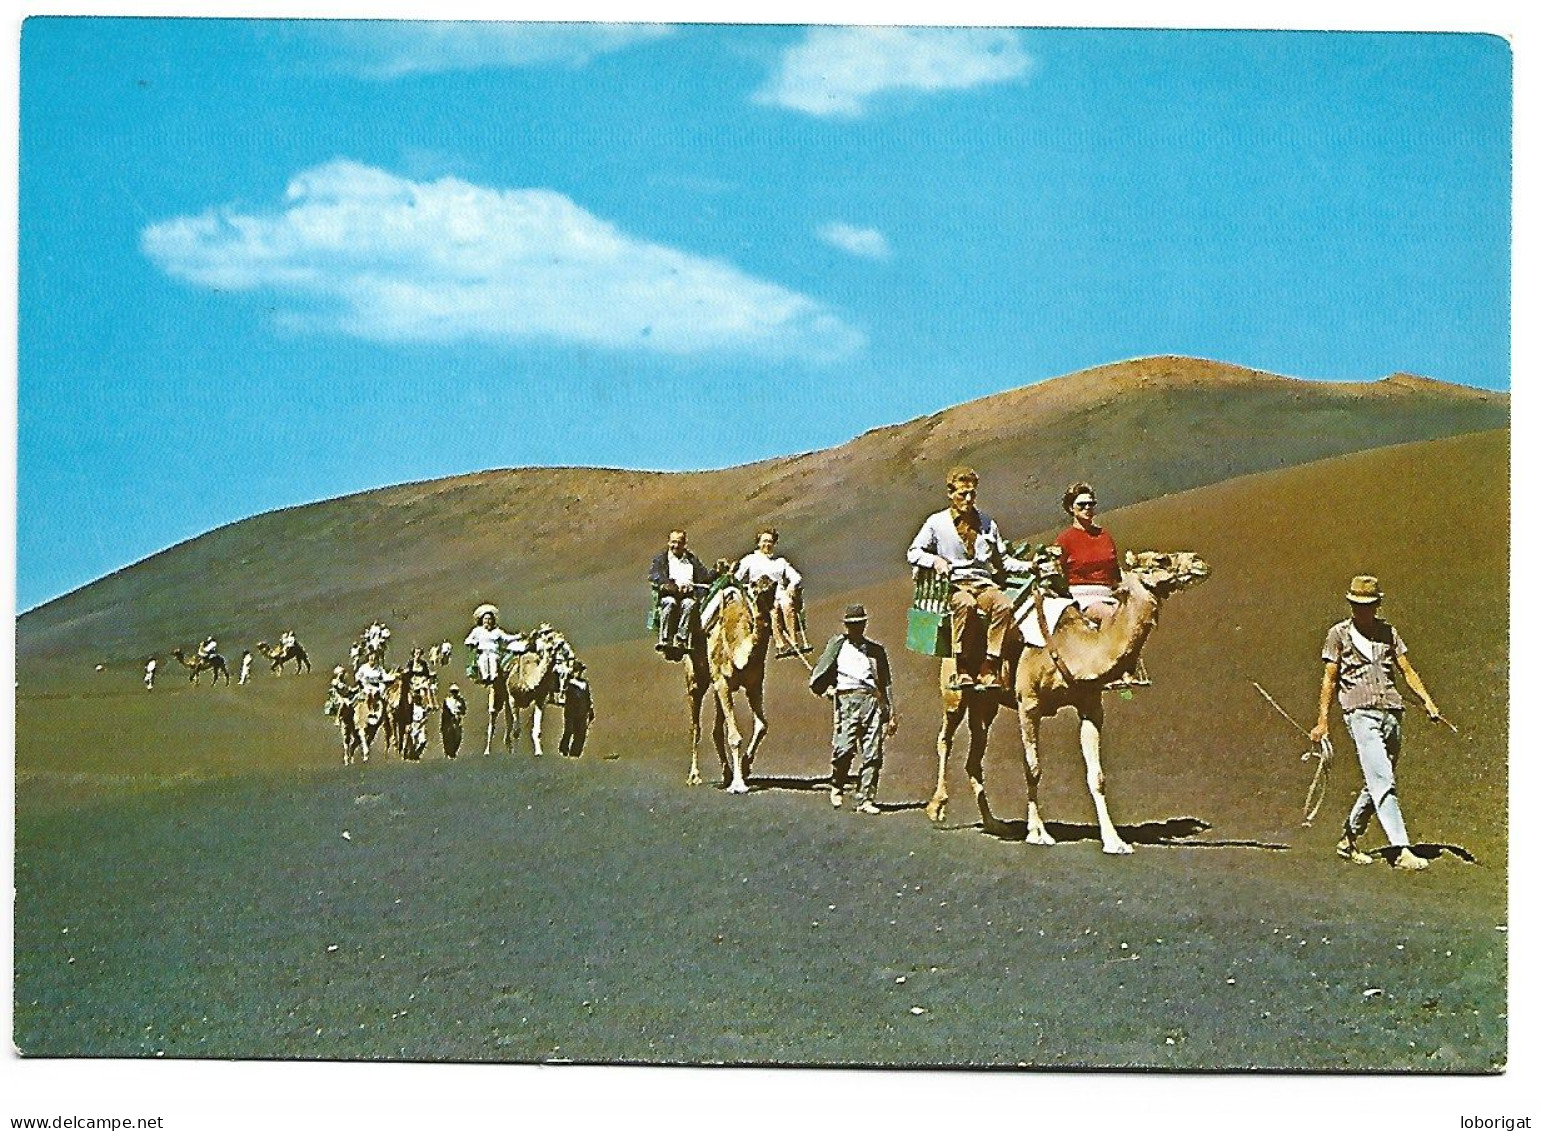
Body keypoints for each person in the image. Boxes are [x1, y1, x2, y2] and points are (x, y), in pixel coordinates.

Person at [1310, 575, 1443, 872]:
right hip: (1359, 714)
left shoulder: (1388, 633)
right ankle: (1401, 849)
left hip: (1392, 713)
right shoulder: (1338, 635)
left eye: (1368, 605)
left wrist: (1427, 702)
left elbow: (1406, 670)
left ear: (1377, 605)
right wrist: (1322, 722)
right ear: (1350, 604)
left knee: (1378, 781)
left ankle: (1348, 838)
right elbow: (1329, 680)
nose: (1362, 611)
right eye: (1357, 605)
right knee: (1383, 779)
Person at [907, 465, 1029, 689]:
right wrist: (936, 561)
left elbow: (1003, 561)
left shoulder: (987, 524)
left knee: (1004, 605)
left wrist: (1030, 566)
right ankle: (961, 667)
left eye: (972, 493)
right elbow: (914, 552)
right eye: (963, 493)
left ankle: (989, 665)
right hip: (954, 585)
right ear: (951, 493)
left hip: (983, 584)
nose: (969, 498)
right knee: (966, 604)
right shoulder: (936, 523)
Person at [808, 604, 897, 814]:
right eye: (852, 625)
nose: (856, 629)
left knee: (873, 752)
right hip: (847, 702)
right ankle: (837, 785)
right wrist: (827, 689)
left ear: (865, 625)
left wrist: (891, 712)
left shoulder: (876, 651)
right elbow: (820, 674)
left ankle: (866, 798)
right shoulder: (837, 646)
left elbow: (886, 683)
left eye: (860, 624)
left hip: (871, 701)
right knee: (844, 748)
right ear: (846, 626)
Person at [735, 528, 809, 658]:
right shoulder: (750, 559)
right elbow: (737, 578)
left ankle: (794, 642)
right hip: (759, 593)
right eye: (764, 541)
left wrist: (791, 586)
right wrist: (748, 587)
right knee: (773, 609)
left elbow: (796, 577)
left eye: (770, 542)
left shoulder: (780, 561)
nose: (767, 544)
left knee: (788, 605)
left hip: (779, 590)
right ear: (758, 543)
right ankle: (780, 644)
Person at [1055, 482, 1121, 624]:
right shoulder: (1065, 539)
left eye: (1091, 504)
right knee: (1109, 615)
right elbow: (1057, 575)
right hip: (1082, 598)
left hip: (1109, 594)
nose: (1087, 508)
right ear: (1071, 508)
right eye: (1082, 504)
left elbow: (1115, 572)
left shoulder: (1104, 536)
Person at [649, 529, 714, 658]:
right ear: (668, 542)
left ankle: (681, 640)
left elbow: (704, 578)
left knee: (689, 605)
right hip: (669, 594)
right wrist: (668, 585)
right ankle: (665, 640)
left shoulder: (691, 560)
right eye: (673, 542)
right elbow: (654, 575)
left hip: (687, 596)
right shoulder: (661, 560)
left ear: (684, 544)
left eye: (679, 543)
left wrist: (716, 572)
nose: (676, 546)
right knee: (670, 603)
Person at [465, 605, 518, 685]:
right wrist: (474, 642)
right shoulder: (477, 631)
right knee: (483, 660)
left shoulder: (497, 631)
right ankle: (485, 677)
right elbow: (467, 640)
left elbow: (506, 638)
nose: (487, 621)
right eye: (486, 619)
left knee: (492, 659)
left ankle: (494, 677)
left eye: (490, 619)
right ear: (482, 620)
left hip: (494, 652)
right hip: (482, 652)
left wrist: (518, 636)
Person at [559, 662, 596, 758]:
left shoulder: (585, 684)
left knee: (581, 732)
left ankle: (575, 752)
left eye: (580, 671)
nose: (578, 673)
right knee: (569, 730)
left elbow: (588, 697)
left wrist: (590, 709)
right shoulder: (569, 684)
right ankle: (564, 748)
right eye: (576, 671)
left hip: (582, 711)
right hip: (571, 711)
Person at [441, 684, 467, 759]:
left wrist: (459, 715)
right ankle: (448, 751)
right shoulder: (447, 700)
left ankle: (454, 751)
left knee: (458, 736)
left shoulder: (461, 700)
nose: (454, 693)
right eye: (453, 691)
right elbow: (444, 712)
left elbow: (464, 710)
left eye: (455, 691)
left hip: (457, 721)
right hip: (448, 720)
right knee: (448, 736)